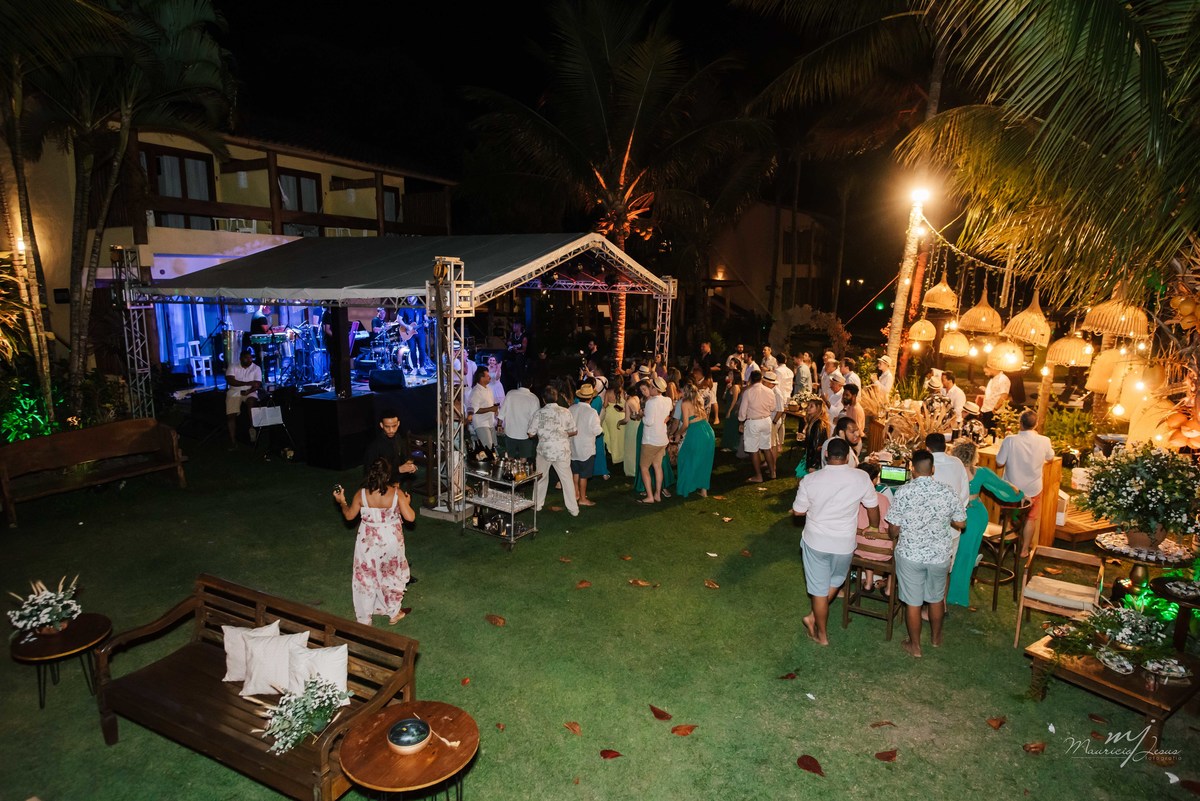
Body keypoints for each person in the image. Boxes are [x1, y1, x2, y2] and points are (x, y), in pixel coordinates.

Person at [792, 437, 881, 646]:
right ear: (848, 456)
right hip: (844, 543)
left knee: (819, 590)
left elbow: (798, 511)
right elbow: (873, 507)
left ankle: (821, 634)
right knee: (836, 581)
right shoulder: (861, 478)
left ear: (826, 455)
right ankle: (812, 619)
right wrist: (873, 526)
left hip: (816, 542)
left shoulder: (810, 480)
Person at [885, 449, 967, 658]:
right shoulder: (947, 491)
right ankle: (936, 639)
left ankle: (915, 646)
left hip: (910, 555)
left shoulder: (903, 492)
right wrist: (942, 518)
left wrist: (896, 532)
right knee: (936, 598)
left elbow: (893, 529)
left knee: (913, 602)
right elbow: (961, 523)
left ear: (912, 469)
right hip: (939, 555)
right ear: (933, 469)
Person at [333, 457, 416, 625]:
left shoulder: (361, 494)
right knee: (391, 573)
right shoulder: (396, 493)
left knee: (365, 576)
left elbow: (349, 516)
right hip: (391, 540)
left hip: (368, 541)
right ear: (388, 475)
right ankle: (394, 612)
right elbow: (410, 517)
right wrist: (406, 503)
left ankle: (365, 619)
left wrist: (342, 502)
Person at [947, 439, 1024, 607]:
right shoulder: (981, 472)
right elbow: (1003, 487)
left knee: (961, 554)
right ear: (974, 456)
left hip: (965, 517)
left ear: (954, 453)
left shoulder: (949, 471)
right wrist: (1020, 494)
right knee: (964, 554)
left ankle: (954, 594)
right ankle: (954, 589)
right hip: (975, 514)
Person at [996, 410, 1055, 557]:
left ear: (1020, 423)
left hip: (1011, 488)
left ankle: (1002, 546)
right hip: (1033, 488)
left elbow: (999, 462)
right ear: (1036, 424)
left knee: (1007, 516)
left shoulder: (1010, 440)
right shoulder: (1044, 440)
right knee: (1030, 518)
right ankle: (1024, 550)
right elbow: (1050, 457)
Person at [528, 386, 579, 516]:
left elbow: (530, 433)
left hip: (544, 450)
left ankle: (537, 504)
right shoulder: (566, 412)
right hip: (562, 450)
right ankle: (573, 509)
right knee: (567, 479)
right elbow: (574, 431)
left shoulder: (538, 413)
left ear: (543, 399)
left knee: (541, 477)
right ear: (556, 398)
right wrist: (563, 434)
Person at [854, 462, 894, 590]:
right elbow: (890, 528)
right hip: (883, 552)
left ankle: (868, 581)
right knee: (897, 543)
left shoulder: (852, 498)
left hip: (858, 548)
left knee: (868, 542)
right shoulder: (882, 499)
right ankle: (889, 588)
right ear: (875, 479)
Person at [675, 382, 715, 498]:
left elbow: (685, 424)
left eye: (681, 390)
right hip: (708, 431)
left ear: (685, 392)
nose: (680, 392)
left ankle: (686, 487)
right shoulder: (698, 400)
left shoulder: (685, 403)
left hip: (696, 432)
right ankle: (703, 490)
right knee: (705, 461)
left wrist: (678, 433)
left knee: (685, 458)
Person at [637, 376, 673, 503]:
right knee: (657, 466)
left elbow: (648, 422)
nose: (650, 388)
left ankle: (650, 496)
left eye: (651, 386)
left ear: (655, 389)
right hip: (662, 439)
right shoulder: (668, 400)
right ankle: (657, 494)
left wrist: (642, 415)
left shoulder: (651, 403)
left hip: (650, 440)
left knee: (644, 467)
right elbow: (669, 411)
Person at [739, 370, 778, 482]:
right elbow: (773, 407)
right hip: (766, 421)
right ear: (761, 379)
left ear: (751, 379)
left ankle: (758, 476)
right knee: (766, 448)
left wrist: (741, 422)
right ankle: (773, 472)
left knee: (753, 450)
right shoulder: (769, 391)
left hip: (753, 422)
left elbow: (742, 411)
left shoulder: (748, 392)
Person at [568, 384, 604, 507]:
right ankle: (583, 498)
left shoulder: (571, 409)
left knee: (575, 472)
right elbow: (597, 431)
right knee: (584, 475)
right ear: (591, 398)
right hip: (586, 448)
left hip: (572, 446)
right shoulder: (592, 412)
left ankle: (576, 494)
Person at [363, 409, 419, 486]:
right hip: (381, 486)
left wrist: (409, 466)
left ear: (398, 423)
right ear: (381, 425)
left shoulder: (398, 438)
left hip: (396, 482)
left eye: (394, 426)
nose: (391, 430)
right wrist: (398, 469)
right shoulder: (375, 446)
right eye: (387, 427)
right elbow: (370, 472)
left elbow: (403, 458)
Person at [225, 348, 262, 448]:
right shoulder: (233, 366)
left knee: (251, 402)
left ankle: (252, 429)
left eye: (250, 358)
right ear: (241, 358)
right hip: (234, 391)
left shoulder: (256, 368)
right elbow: (231, 381)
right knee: (231, 415)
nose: (249, 360)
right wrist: (247, 383)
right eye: (247, 358)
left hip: (250, 391)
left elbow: (257, 384)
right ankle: (233, 441)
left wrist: (249, 391)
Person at [498, 376, 540, 459]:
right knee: (523, 459)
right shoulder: (534, 398)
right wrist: (534, 432)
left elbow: (502, 412)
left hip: (510, 432)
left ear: (519, 384)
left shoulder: (510, 394)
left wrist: (499, 425)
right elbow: (535, 419)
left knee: (510, 458)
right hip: (525, 434)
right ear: (531, 385)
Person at [468, 367, 499, 450]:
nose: (490, 377)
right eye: (487, 376)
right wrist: (491, 409)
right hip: (481, 423)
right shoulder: (476, 391)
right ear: (481, 378)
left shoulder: (489, 389)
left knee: (493, 447)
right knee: (488, 447)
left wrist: (495, 410)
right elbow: (475, 410)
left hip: (490, 422)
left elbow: (492, 404)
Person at [978, 364, 1011, 436]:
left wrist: (995, 408)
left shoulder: (1003, 379)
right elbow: (995, 392)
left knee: (991, 434)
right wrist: (985, 390)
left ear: (992, 368)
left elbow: (1004, 395)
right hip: (986, 409)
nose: (985, 374)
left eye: (986, 372)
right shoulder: (993, 379)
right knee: (985, 432)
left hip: (993, 411)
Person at [800, 393, 829, 475]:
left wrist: (813, 464)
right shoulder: (812, 422)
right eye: (808, 405)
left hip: (814, 459)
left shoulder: (818, 424)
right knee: (800, 477)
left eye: (811, 406)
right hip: (809, 456)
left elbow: (816, 445)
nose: (808, 408)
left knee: (802, 477)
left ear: (818, 408)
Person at [600, 382, 627, 468]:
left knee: (612, 435)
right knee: (621, 436)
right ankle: (621, 455)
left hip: (610, 415)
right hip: (620, 415)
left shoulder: (608, 392)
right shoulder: (622, 392)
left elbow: (605, 405)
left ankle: (614, 455)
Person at [621, 380, 644, 477]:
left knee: (630, 447)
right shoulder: (637, 398)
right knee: (636, 446)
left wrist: (619, 422)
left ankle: (631, 470)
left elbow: (626, 419)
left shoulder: (628, 402)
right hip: (638, 424)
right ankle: (637, 467)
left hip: (631, 425)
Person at [720, 370, 743, 452]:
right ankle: (728, 445)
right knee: (728, 426)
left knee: (731, 427)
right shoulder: (730, 386)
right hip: (729, 407)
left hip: (733, 410)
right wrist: (726, 388)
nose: (728, 375)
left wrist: (730, 411)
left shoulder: (736, 387)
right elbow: (724, 397)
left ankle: (731, 445)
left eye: (731, 374)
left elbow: (734, 400)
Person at [941, 370, 966, 437]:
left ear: (950, 381)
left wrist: (949, 422)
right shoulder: (942, 391)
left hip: (954, 424)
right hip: (943, 423)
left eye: (943, 380)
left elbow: (958, 411)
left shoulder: (959, 393)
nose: (941, 382)